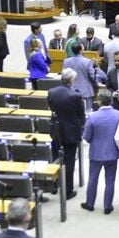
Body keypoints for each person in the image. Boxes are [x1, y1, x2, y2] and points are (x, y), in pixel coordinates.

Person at [81, 89, 119, 215]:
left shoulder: (93, 117)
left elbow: (87, 137)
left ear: (99, 101)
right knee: (110, 180)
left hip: (96, 153)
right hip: (113, 152)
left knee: (93, 179)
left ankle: (90, 203)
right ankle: (107, 206)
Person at [48, 68, 84, 200]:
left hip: (56, 131)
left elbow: (52, 108)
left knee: (55, 159)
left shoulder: (52, 92)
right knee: (69, 162)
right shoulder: (75, 96)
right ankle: (68, 190)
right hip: (71, 132)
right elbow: (81, 116)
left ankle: (54, 185)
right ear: (72, 80)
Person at [63, 43, 97, 114]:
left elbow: (64, 75)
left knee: (72, 112)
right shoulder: (88, 61)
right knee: (87, 113)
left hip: (71, 90)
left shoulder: (66, 61)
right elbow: (92, 76)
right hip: (86, 91)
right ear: (81, 50)